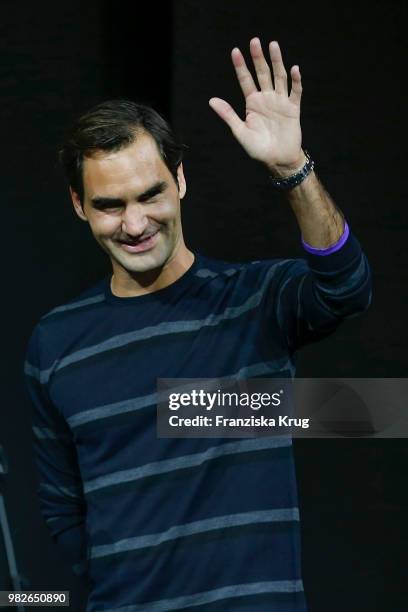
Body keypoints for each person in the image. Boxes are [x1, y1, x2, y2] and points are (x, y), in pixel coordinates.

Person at [23, 38, 371, 612]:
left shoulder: (255, 300)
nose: (135, 223)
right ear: (79, 205)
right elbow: (64, 507)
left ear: (179, 181)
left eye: (151, 194)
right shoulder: (55, 343)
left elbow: (347, 286)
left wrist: (292, 168)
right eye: (110, 204)